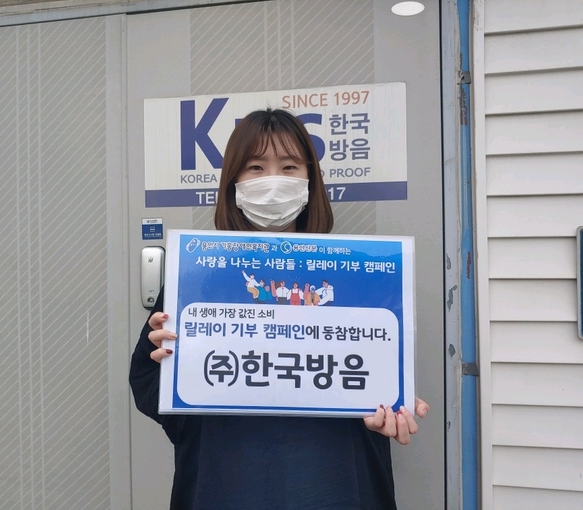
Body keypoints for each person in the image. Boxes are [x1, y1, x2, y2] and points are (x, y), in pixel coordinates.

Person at [129, 108, 429, 510]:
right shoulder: (198, 275)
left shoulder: (359, 274)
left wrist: (391, 404)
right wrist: (165, 358)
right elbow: (148, 385)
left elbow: (379, 374)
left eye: (289, 167)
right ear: (233, 182)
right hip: (228, 477)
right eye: (256, 167)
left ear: (310, 181)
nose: (273, 181)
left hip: (334, 480)